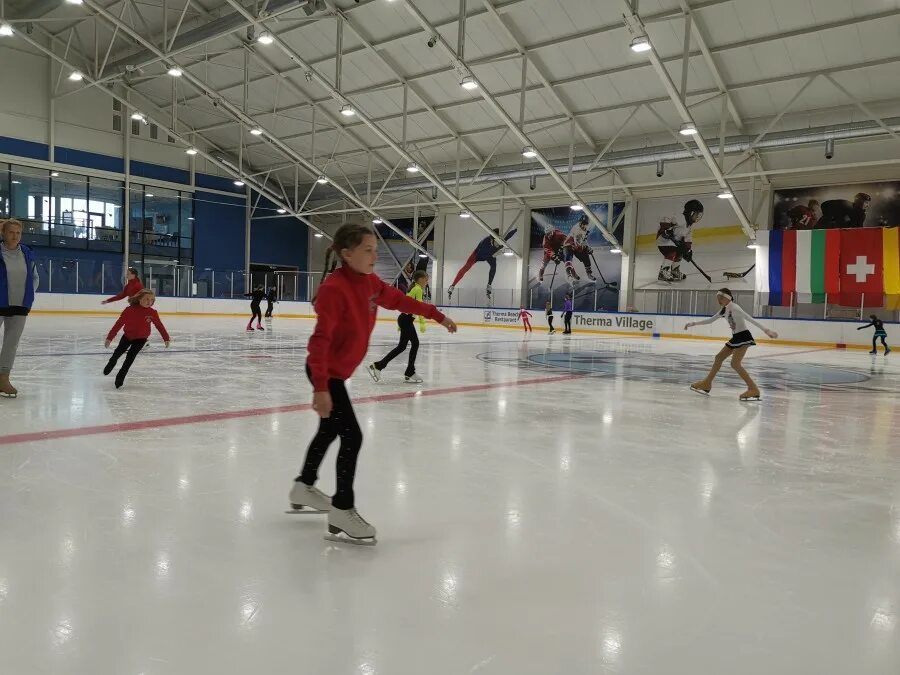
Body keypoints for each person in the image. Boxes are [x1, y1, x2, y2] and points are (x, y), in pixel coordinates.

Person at [290, 223, 457, 545]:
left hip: (336, 374)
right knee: (351, 435)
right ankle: (342, 507)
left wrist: (438, 315)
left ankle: (304, 485)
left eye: (375, 250)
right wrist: (321, 388)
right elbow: (320, 342)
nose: (374, 255)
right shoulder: (333, 289)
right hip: (326, 372)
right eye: (368, 250)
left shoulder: (370, 283)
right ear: (347, 254)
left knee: (330, 431)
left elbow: (401, 301)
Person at [684, 288, 778, 401]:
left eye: (721, 297)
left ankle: (753, 389)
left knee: (735, 364)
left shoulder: (735, 307)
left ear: (726, 297)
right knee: (718, 358)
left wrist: (766, 330)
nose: (719, 300)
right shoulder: (724, 310)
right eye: (718, 298)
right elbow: (710, 320)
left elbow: (749, 318)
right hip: (736, 338)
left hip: (743, 337)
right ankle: (707, 383)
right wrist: (693, 323)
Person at [0, 218, 40, 398]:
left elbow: (34, 277)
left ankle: (3, 379)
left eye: (18, 233)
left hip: (20, 305)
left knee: (11, 344)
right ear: (3, 233)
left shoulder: (27, 252)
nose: (15, 236)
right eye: (11, 232)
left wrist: (29, 295)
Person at [368, 270, 430, 384]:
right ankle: (408, 371)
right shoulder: (417, 289)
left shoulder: (413, 288)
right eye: (426, 279)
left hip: (405, 320)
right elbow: (420, 306)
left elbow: (407, 305)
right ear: (420, 279)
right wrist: (422, 322)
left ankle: (380, 366)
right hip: (406, 320)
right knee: (414, 344)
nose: (427, 282)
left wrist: (402, 324)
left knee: (402, 346)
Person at [104, 289, 170, 389]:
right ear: (139, 299)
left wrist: (166, 338)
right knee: (118, 352)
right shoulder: (129, 310)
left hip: (141, 339)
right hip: (127, 336)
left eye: (152, 300)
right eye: (147, 299)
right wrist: (109, 338)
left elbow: (159, 325)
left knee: (130, 358)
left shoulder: (152, 312)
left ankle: (120, 377)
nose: (149, 301)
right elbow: (118, 324)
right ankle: (112, 362)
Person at [447, 227, 518, 301]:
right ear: (491, 238)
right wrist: (497, 251)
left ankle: (489, 285)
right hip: (478, 255)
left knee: (494, 267)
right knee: (466, 267)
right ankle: (452, 286)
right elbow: (484, 252)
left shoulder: (501, 240)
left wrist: (516, 229)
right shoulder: (485, 242)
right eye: (494, 241)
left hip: (490, 255)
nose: (497, 243)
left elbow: (509, 235)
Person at [656, 199, 704, 283]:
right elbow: (665, 218)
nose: (697, 217)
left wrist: (688, 250)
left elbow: (688, 240)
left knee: (681, 251)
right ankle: (663, 272)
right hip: (663, 241)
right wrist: (665, 229)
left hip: (674, 242)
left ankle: (675, 271)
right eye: (696, 214)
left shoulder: (689, 226)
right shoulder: (680, 218)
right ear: (691, 212)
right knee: (673, 250)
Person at [563, 214, 596, 284]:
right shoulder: (577, 229)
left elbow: (584, 240)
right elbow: (577, 243)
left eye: (585, 224)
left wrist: (588, 247)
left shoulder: (587, 228)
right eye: (582, 223)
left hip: (577, 244)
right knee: (568, 259)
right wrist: (587, 248)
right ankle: (569, 275)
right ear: (580, 222)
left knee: (586, 256)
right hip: (569, 245)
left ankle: (589, 274)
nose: (583, 225)